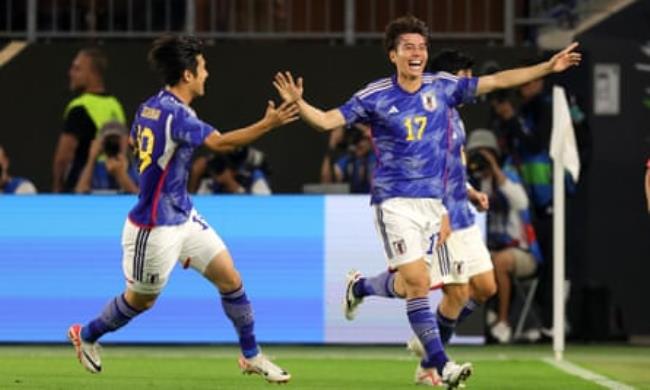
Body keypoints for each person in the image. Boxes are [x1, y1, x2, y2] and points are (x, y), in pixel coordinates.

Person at [273, 15, 580, 387]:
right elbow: (324, 121)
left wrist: (546, 67)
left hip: (434, 207)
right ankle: (440, 364)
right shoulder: (375, 95)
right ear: (393, 55)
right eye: (408, 47)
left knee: (418, 285)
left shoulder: (444, 87)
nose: (417, 53)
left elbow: (498, 81)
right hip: (394, 202)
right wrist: (299, 103)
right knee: (418, 283)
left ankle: (362, 289)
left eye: (421, 47)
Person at [67, 36, 298, 383]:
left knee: (231, 279)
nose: (207, 73)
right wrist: (269, 124)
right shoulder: (177, 115)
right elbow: (219, 143)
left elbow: (135, 142)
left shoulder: (150, 105)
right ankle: (86, 335)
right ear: (188, 75)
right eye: (203, 68)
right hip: (154, 227)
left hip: (183, 215)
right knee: (141, 301)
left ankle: (252, 355)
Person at [465, 129, 543, 343]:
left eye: (485, 154)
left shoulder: (509, 177)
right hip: (488, 249)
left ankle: (503, 321)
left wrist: (495, 169)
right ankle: (476, 319)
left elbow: (521, 203)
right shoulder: (475, 184)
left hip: (523, 253)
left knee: (500, 261)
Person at [52, 47, 127, 193]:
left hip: (82, 186)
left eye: (77, 69)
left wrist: (57, 187)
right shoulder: (116, 105)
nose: (70, 73)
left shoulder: (79, 107)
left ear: (92, 74)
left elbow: (63, 156)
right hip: (114, 185)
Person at [74, 122, 139, 194]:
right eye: (109, 140)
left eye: (117, 139)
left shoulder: (138, 169)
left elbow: (142, 199)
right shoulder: (95, 170)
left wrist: (121, 175)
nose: (113, 144)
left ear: (127, 140)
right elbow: (79, 192)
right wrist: (92, 158)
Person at [195, 148, 272, 195]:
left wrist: (233, 186)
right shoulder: (214, 175)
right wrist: (195, 176)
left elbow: (264, 208)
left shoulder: (254, 176)